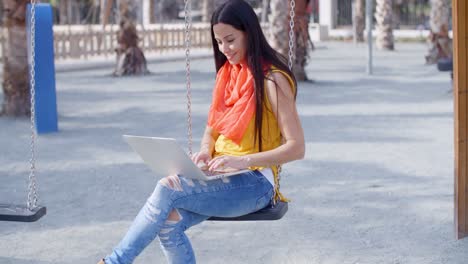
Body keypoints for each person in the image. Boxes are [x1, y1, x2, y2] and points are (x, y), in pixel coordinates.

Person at [98, 0, 304, 263]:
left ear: (249, 33)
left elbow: (297, 147)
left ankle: (114, 261)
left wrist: (242, 161)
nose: (224, 49)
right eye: (218, 42)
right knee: (168, 223)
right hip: (220, 178)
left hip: (256, 184)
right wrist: (206, 153)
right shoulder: (227, 76)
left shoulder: (272, 80)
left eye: (230, 40)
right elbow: (212, 132)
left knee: (167, 187)